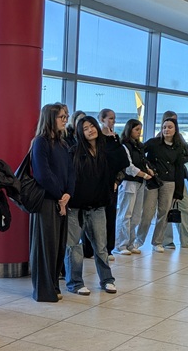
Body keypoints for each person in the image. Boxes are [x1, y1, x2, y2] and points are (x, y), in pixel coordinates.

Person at [64, 116, 119, 295]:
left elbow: (122, 163)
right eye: (85, 128)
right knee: (73, 247)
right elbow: (69, 178)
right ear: (80, 132)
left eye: (92, 126)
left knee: (101, 247)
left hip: (98, 206)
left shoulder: (105, 150)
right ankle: (75, 283)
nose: (90, 130)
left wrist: (113, 139)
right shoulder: (74, 152)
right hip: (76, 207)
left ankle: (107, 280)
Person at [29, 103, 74, 303]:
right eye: (61, 117)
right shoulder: (40, 142)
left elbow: (71, 172)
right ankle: (44, 290)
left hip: (61, 201)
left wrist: (68, 194)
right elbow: (43, 175)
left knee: (57, 247)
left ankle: (54, 285)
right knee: (45, 247)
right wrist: (59, 197)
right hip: (46, 202)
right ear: (50, 118)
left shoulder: (63, 144)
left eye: (66, 116)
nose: (65, 120)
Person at [137, 118, 188, 253]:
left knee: (164, 213)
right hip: (153, 180)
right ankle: (139, 240)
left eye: (170, 127)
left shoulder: (178, 147)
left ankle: (158, 242)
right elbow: (139, 152)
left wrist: (178, 192)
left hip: (170, 182)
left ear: (175, 129)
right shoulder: (154, 143)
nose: (166, 130)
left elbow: (179, 170)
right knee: (147, 213)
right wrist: (147, 167)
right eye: (164, 127)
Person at [160, 110, 188, 249]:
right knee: (165, 209)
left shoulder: (179, 139)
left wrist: (176, 161)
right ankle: (166, 240)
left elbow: (187, 155)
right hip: (164, 180)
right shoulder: (158, 140)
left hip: (178, 179)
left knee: (186, 207)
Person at [115, 119, 153, 255]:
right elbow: (128, 166)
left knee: (136, 215)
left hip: (140, 183)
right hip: (128, 182)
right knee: (126, 214)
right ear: (129, 129)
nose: (139, 132)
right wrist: (143, 174)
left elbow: (143, 161)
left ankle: (131, 243)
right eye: (137, 129)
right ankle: (121, 244)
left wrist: (148, 169)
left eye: (140, 130)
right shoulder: (124, 146)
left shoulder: (139, 146)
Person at [98, 108, 120, 257]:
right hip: (99, 181)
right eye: (110, 118)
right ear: (102, 120)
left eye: (114, 118)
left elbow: (120, 161)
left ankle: (109, 248)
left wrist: (117, 180)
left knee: (111, 215)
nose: (113, 121)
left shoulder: (115, 138)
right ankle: (94, 247)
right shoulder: (97, 138)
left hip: (112, 182)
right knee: (97, 216)